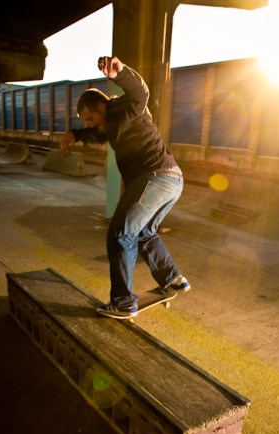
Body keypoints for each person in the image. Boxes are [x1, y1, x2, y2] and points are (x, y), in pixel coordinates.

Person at [60, 55, 190, 319]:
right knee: (144, 233)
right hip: (172, 179)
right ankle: (173, 279)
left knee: (120, 234)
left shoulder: (126, 107)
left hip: (154, 177)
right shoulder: (111, 123)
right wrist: (75, 133)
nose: (89, 123)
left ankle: (123, 302)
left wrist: (121, 74)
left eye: (90, 117)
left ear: (101, 106)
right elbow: (98, 133)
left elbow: (140, 92)